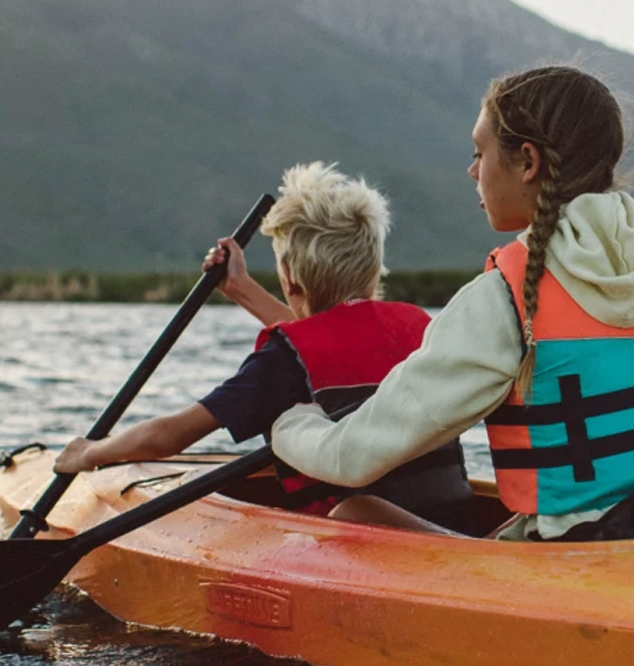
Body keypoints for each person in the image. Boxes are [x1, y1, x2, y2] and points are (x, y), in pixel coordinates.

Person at [271, 65, 634, 540]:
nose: (472, 171)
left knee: (359, 511)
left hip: (587, 553)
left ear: (528, 161)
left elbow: (352, 458)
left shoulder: (502, 299)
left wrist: (290, 424)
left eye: (479, 152)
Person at [53, 162, 472, 533]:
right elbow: (333, 342)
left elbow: (168, 437)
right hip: (451, 518)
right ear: (373, 267)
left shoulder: (283, 360)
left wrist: (91, 452)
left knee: (352, 509)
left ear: (290, 280)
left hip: (366, 539)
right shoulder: (419, 328)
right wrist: (240, 289)